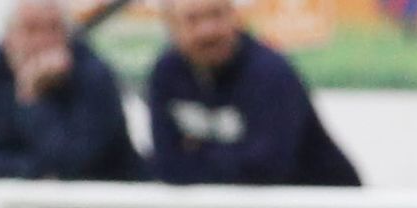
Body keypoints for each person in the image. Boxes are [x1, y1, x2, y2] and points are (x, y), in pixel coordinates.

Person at [146, 0, 360, 186]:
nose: (208, 30)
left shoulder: (270, 72)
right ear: (171, 27)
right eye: (193, 20)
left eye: (216, 14)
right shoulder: (166, 72)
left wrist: (196, 152)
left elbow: (266, 169)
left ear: (236, 16)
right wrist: (231, 158)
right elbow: (165, 164)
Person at [0, 0, 145, 181]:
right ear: (8, 37)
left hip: (96, 205)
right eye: (31, 29)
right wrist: (35, 170)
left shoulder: (94, 75)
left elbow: (75, 164)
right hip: (3, 203)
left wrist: (32, 98)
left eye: (53, 29)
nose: (43, 41)